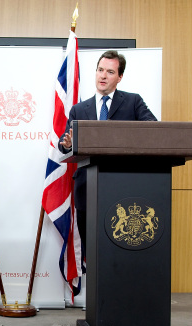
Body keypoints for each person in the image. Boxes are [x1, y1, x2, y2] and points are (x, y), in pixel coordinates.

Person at [59, 50, 157, 253]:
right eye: (100, 70)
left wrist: (119, 137)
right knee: (92, 250)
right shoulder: (79, 109)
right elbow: (64, 144)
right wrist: (67, 144)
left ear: (120, 77)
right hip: (87, 188)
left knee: (121, 249)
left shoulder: (133, 102)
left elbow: (152, 130)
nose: (103, 76)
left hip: (123, 187)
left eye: (110, 72)